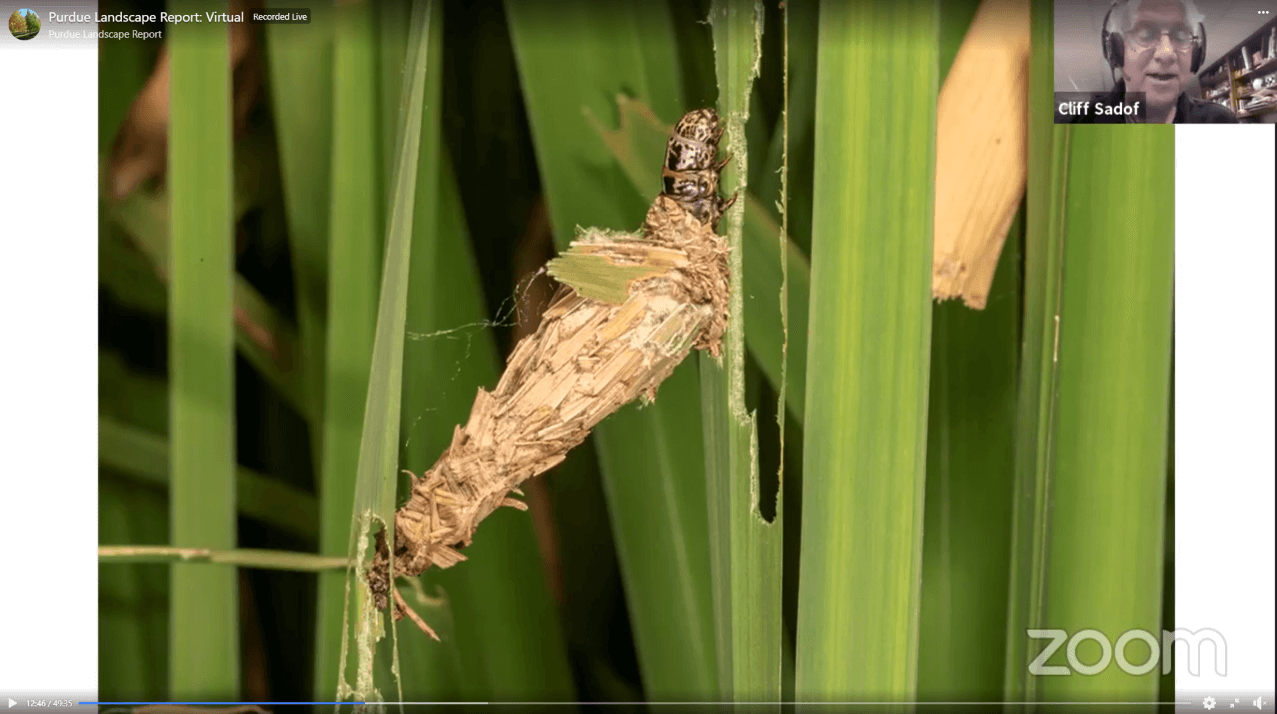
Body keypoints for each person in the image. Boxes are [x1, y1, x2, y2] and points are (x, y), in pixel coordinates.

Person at [1073, 0, 1238, 123]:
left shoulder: (1220, 123)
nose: (1166, 54)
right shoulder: (1080, 125)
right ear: (1115, 50)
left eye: (1180, 35)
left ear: (1196, 54)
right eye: (1145, 33)